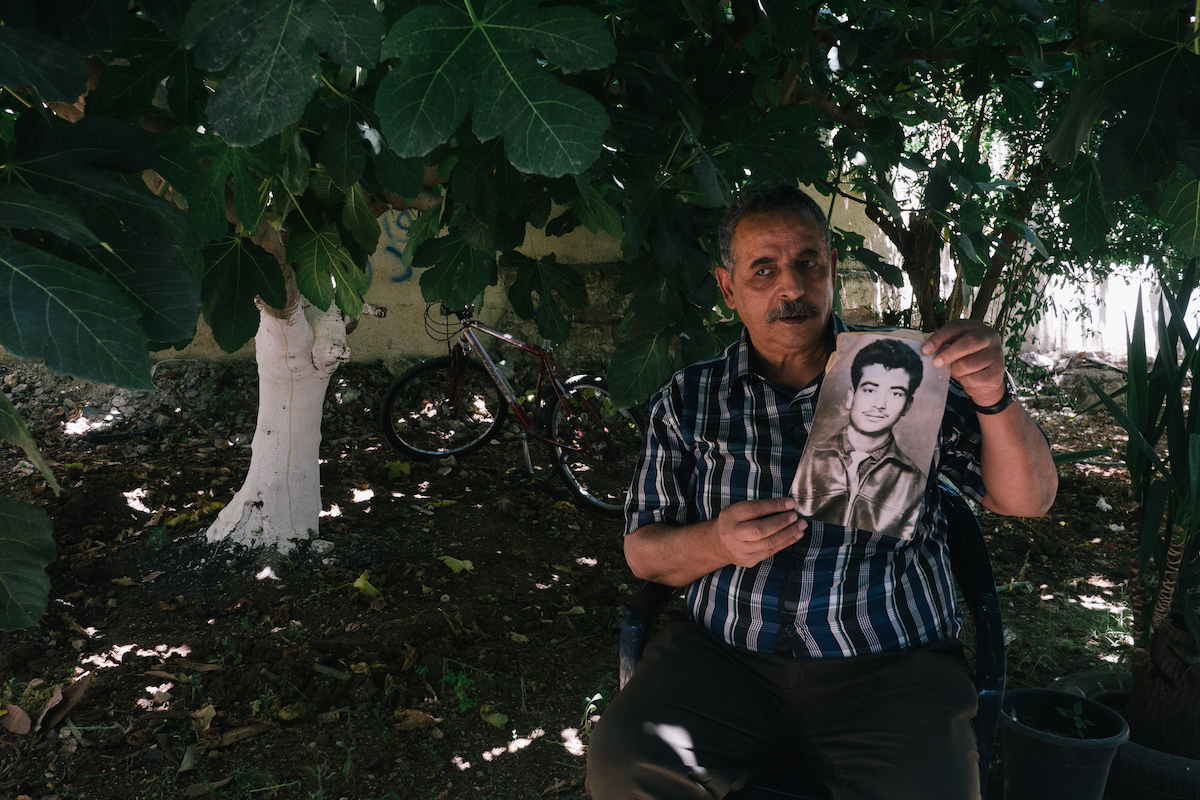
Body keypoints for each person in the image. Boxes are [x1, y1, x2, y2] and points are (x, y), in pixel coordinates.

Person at [585, 183, 1057, 800]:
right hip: (723, 661)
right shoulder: (689, 399)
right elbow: (644, 553)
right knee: (626, 769)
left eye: (808, 263)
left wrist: (994, 393)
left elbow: (1029, 499)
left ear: (832, 268)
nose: (791, 287)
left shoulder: (903, 375)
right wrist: (718, 541)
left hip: (890, 667)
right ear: (728, 288)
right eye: (764, 270)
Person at [791, 337, 928, 537]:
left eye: (896, 394)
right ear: (851, 396)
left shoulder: (912, 480)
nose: (880, 404)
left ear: (907, 405)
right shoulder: (810, 458)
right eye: (870, 390)